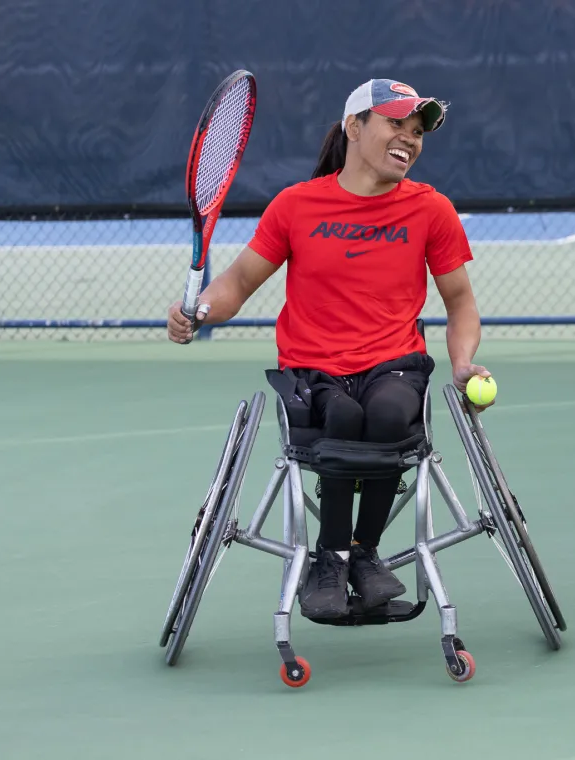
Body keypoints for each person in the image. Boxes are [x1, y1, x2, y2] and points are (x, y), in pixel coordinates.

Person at [166, 78, 494, 621]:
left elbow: (460, 303)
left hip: (393, 364)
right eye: (396, 124)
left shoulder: (430, 209)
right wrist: (197, 310)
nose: (408, 139)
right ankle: (334, 555)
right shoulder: (297, 205)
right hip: (312, 373)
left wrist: (462, 364)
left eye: (417, 132)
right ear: (354, 126)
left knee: (390, 413)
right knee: (341, 415)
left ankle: (359, 553)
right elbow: (239, 283)